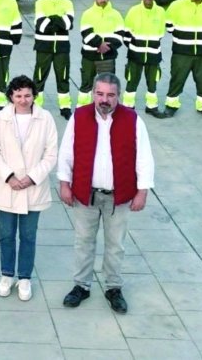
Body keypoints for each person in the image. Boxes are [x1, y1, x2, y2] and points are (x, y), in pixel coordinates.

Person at [58, 73, 155, 315]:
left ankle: (113, 287)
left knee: (115, 245)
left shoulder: (133, 120)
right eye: (100, 94)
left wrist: (142, 191)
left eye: (110, 95)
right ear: (93, 94)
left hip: (118, 196)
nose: (104, 99)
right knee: (83, 242)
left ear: (118, 96)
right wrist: (64, 183)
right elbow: (66, 153)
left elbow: (144, 158)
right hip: (85, 194)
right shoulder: (79, 117)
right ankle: (81, 285)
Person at [0, 76, 58, 302]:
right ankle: (7, 274)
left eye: (27, 95)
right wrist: (8, 177)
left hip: (32, 188)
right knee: (6, 235)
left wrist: (31, 177)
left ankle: (25, 276)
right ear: (11, 96)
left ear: (34, 95)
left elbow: (50, 154)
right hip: (7, 187)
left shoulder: (45, 118)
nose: (23, 100)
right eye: (18, 95)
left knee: (28, 235)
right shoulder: (1, 118)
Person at [121, 0, 167, 117]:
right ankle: (128, 107)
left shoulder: (161, 12)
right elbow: (127, 33)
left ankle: (152, 107)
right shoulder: (133, 11)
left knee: (152, 82)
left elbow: (160, 33)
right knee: (132, 81)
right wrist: (134, 48)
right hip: (135, 54)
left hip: (153, 54)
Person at [33, 0, 75, 118]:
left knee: (63, 77)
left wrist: (50, 18)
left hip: (62, 48)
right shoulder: (40, 3)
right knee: (39, 77)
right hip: (43, 47)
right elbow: (41, 25)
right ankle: (37, 106)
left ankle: (65, 107)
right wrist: (59, 19)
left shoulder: (68, 3)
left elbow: (68, 24)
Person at [78, 0, 124, 106]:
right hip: (89, 57)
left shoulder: (116, 15)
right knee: (86, 85)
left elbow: (119, 36)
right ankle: (83, 109)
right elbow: (86, 34)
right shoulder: (87, 14)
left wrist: (106, 47)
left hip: (108, 57)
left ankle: (107, 110)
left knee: (108, 87)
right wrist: (100, 44)